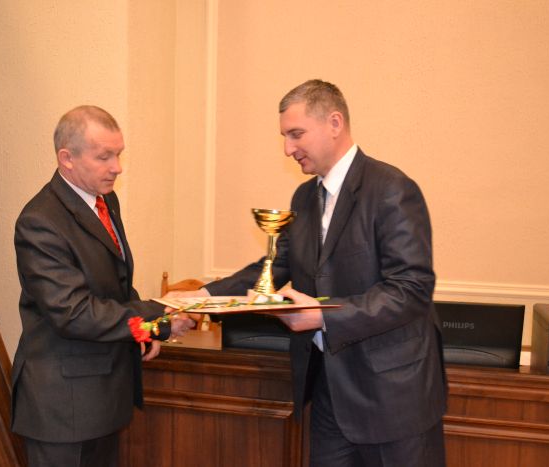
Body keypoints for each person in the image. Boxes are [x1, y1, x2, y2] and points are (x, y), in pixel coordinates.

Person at [173, 80, 447, 466]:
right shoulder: (304, 197)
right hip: (328, 391)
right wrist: (204, 297)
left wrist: (322, 316)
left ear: (334, 123)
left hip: (393, 398)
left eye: (296, 134)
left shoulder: (391, 189)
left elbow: (411, 289)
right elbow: (276, 264)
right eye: (285, 137)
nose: (288, 149)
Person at [11, 105, 195, 467]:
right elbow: (75, 313)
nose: (117, 167)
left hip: (102, 397)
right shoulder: (40, 221)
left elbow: (117, 288)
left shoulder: (105, 200)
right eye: (104, 157)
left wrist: (144, 333)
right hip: (64, 407)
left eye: (119, 154)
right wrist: (157, 320)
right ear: (67, 159)